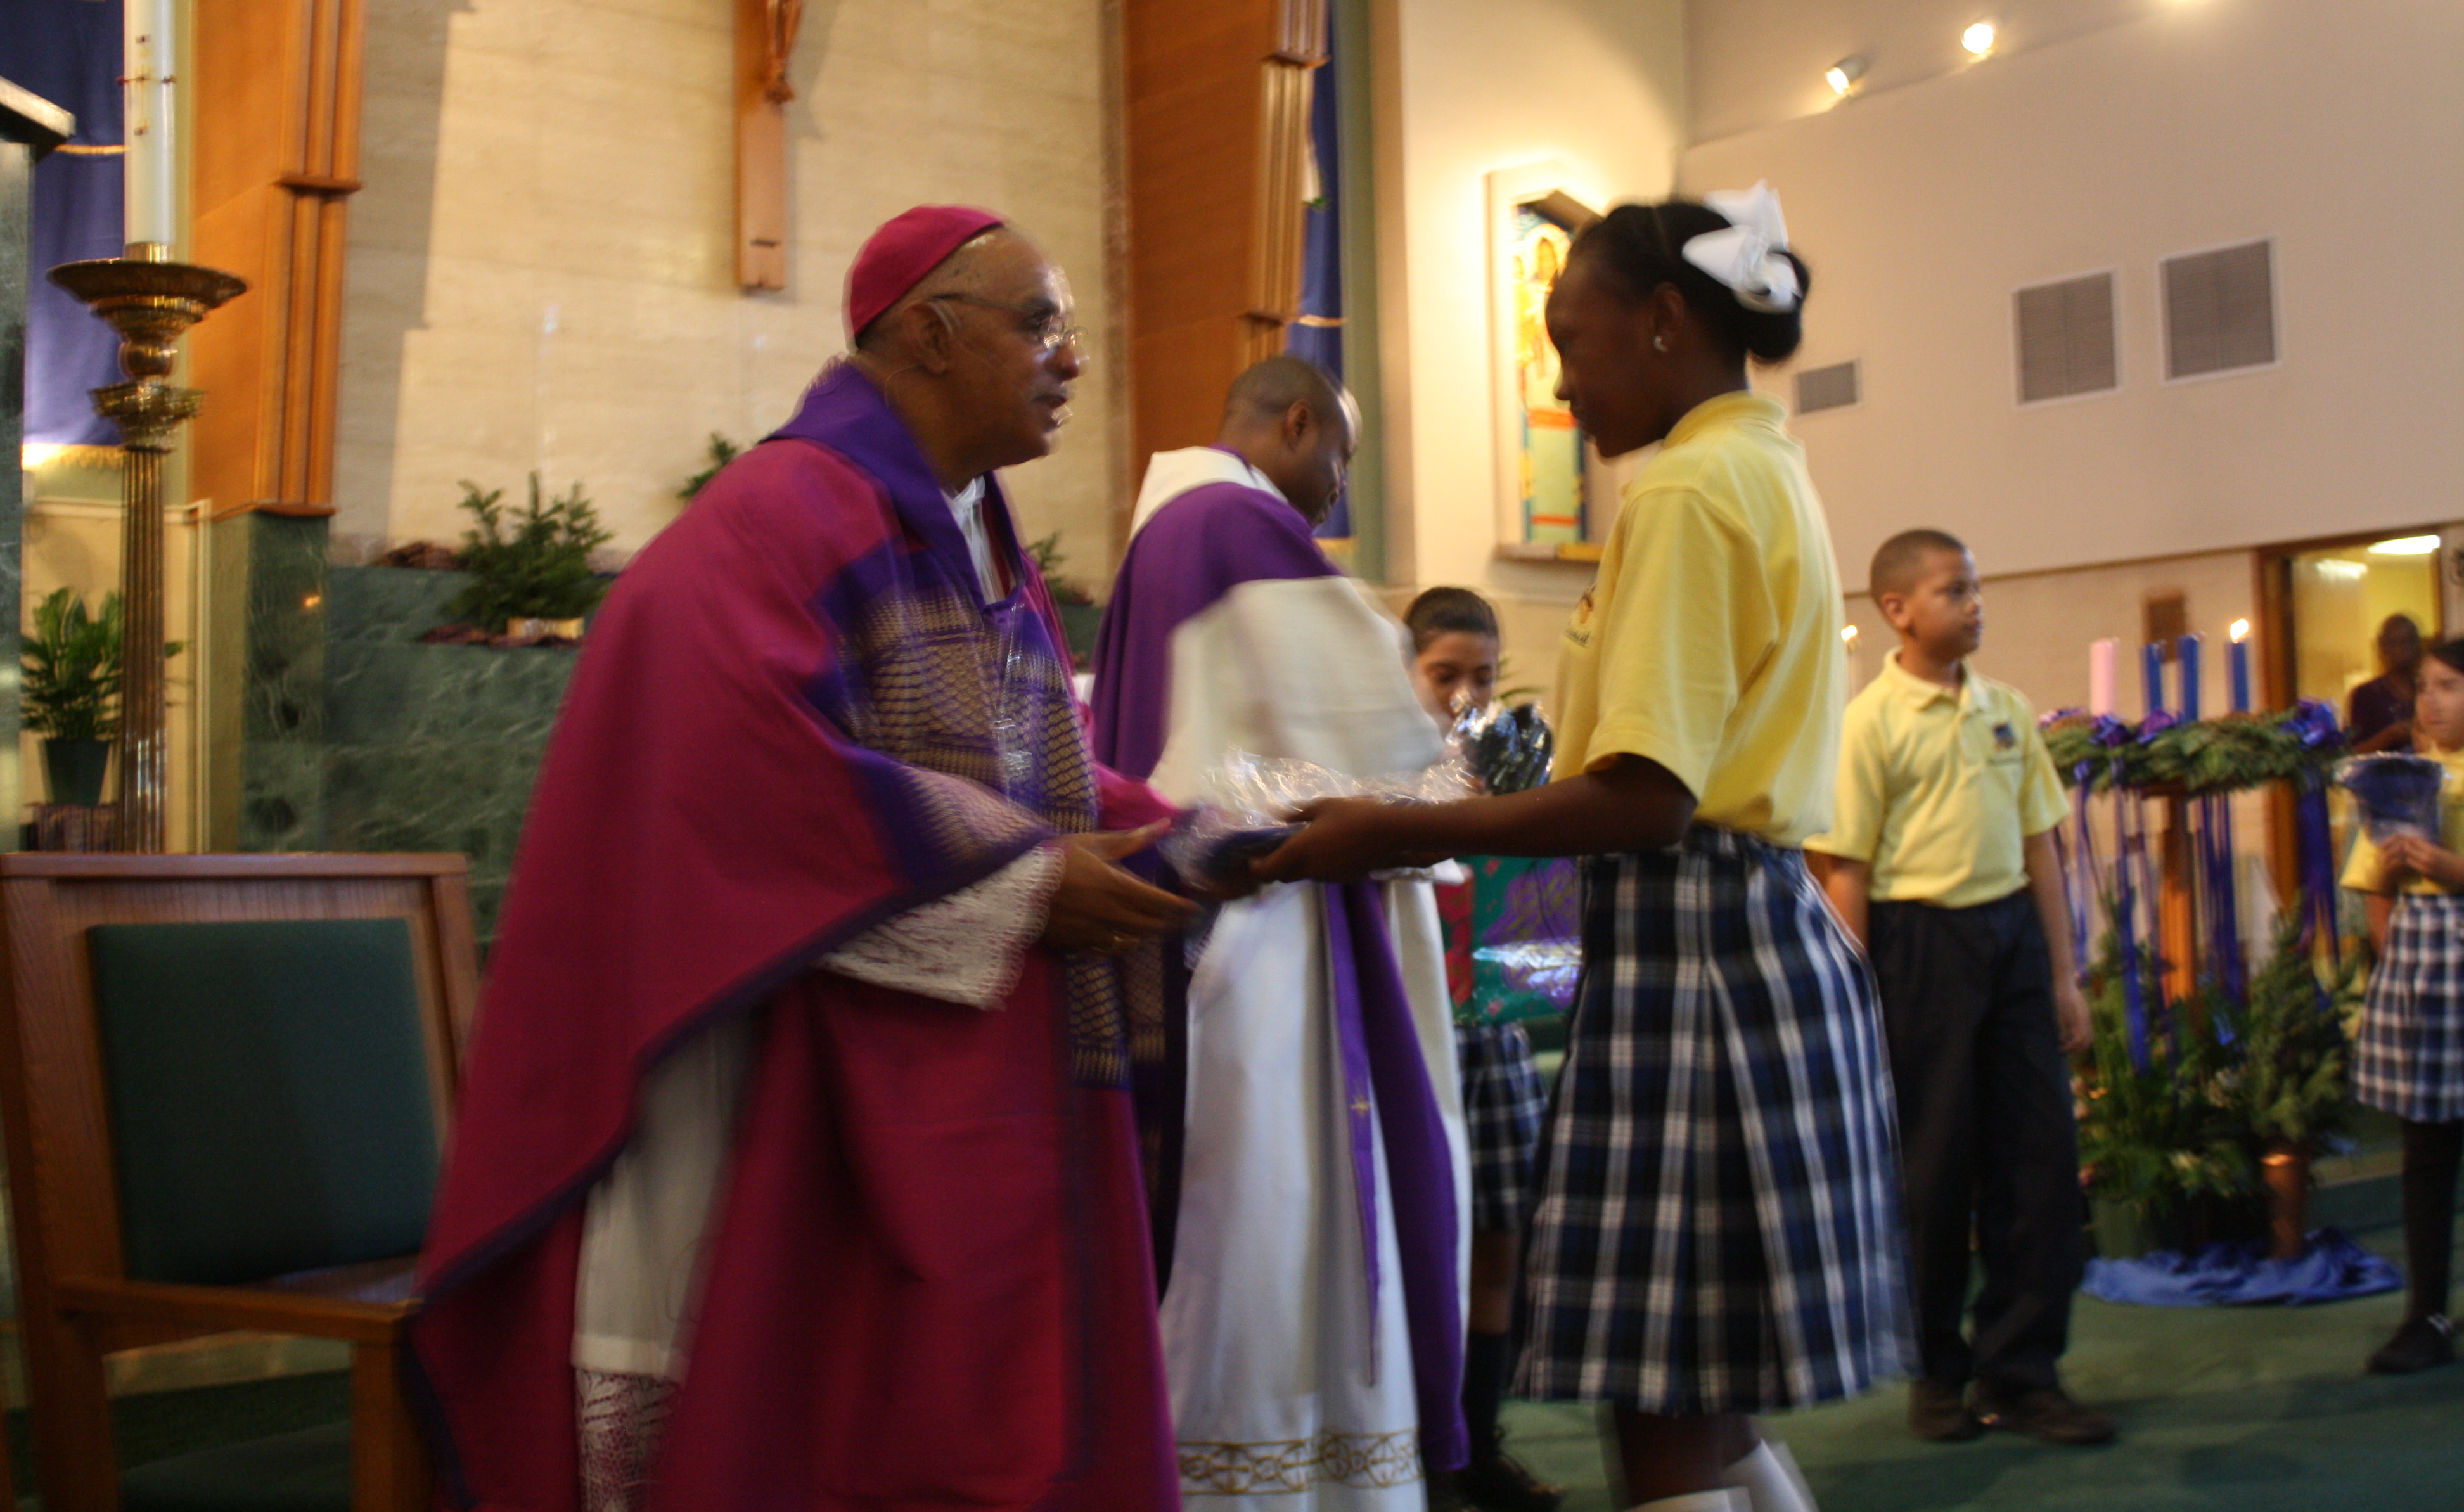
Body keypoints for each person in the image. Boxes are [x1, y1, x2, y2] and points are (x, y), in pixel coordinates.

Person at [411, 206, 1197, 1512]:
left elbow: (1032, 769)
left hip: (928, 1038)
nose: (1072, 359)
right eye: (1041, 325)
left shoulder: (975, 532)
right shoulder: (786, 508)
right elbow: (729, 763)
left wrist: (1188, 835)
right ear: (930, 334)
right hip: (750, 1035)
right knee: (763, 1412)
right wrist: (1027, 879)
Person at [1255, 186, 1905, 1512]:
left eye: (1571, 338)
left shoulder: (1689, 489)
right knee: (1706, 1397)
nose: (1560, 380)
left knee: (1661, 1406)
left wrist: (1390, 830)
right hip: (1754, 937)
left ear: (1664, 321)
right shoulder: (1763, 464)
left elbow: (1645, 798)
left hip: (1697, 958)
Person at [1090, 355, 1471, 1511]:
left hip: (1196, 930)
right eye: (1339, 461)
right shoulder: (1238, 523)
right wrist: (1459, 785)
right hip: (1267, 942)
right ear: (1296, 423)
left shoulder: (1160, 535)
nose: (1336, 491)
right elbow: (1387, 738)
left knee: (1226, 1223)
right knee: (1277, 1217)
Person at [1802, 530, 2110, 1447]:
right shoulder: (1870, 723)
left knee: (2041, 1161)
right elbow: (1845, 869)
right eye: (1954, 591)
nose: (1976, 605)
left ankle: (2023, 1371)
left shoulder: (2004, 709)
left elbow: (2041, 847)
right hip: (1918, 947)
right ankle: (1937, 1371)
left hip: (2011, 941)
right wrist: (1858, 995)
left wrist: (2062, 975)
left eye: (1977, 589)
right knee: (1933, 1172)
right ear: (1897, 610)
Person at [1403, 587, 1565, 1512]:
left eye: (1483, 676)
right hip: (1412, 1044)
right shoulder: (1384, 772)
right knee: (1419, 1249)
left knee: (1498, 1250)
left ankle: (1479, 1446)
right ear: (1407, 674)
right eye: (1444, 675)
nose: (1466, 696)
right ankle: (1418, 1457)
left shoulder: (1512, 768)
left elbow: (1540, 947)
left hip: (1492, 1038)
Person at [2343, 634, 2464, 1374]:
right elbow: (2373, 888)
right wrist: (2396, 949)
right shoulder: (2404, 778)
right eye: (2424, 687)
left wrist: (2451, 867)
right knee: (2427, 1150)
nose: (2431, 701)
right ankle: (2425, 1315)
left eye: (2449, 686)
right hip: (2426, 968)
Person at [2350, 613, 2425, 755]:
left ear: (2419, 645)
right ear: (2383, 647)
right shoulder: (2365, 695)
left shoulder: (2428, 690)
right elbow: (2352, 754)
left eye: (2409, 641)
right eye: (2394, 642)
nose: (2403, 649)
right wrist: (2388, 736)